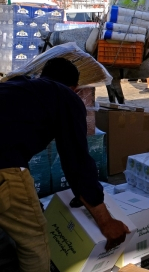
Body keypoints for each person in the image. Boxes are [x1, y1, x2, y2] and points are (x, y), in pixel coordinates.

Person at [0, 58, 130, 271]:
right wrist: (105, 221)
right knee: (34, 239)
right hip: (4, 164)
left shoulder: (18, 87)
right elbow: (77, 161)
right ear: (75, 88)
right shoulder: (65, 97)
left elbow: (13, 140)